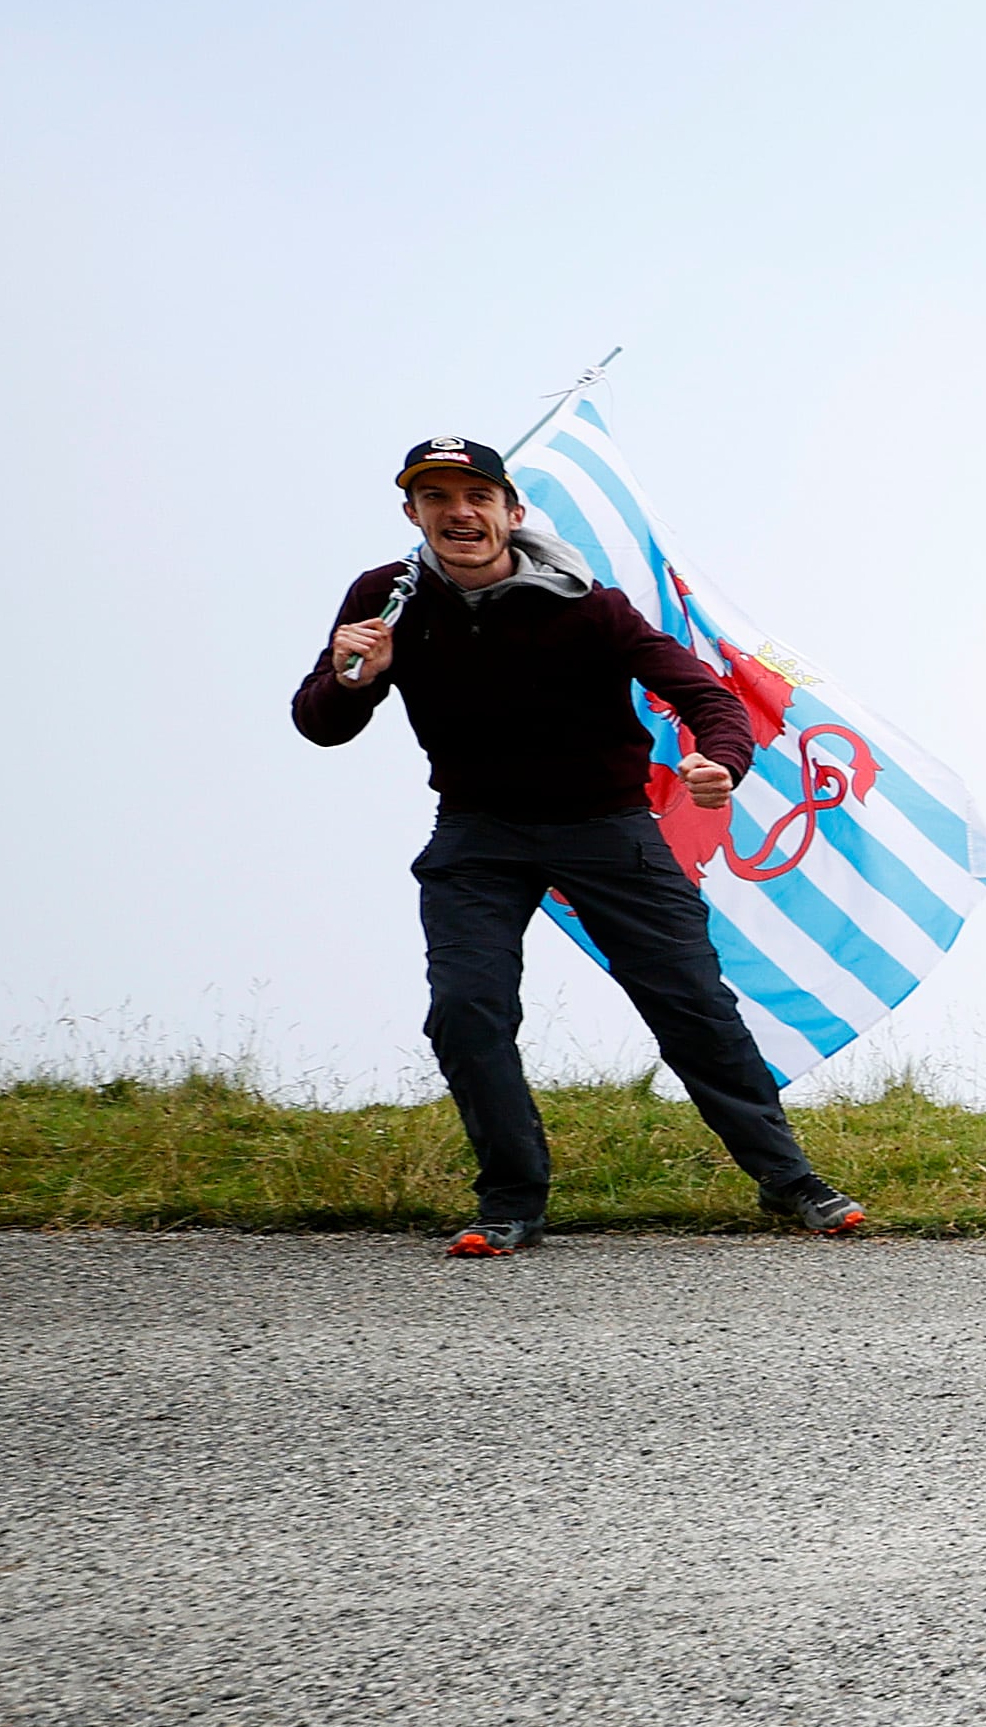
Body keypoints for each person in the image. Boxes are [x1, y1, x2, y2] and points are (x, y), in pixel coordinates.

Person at [293, 435, 866, 1255]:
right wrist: (355, 676)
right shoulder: (387, 598)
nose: (459, 513)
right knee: (466, 1010)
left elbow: (710, 698)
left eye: (476, 497)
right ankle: (511, 1201)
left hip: (606, 828)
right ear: (412, 513)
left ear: (511, 513)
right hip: (477, 832)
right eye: (436, 499)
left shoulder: (586, 606)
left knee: (693, 1008)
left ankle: (790, 1182)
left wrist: (721, 763)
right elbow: (321, 725)